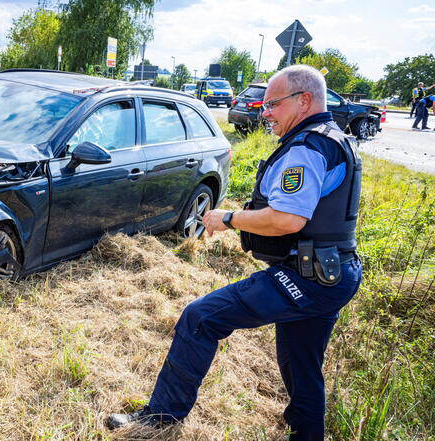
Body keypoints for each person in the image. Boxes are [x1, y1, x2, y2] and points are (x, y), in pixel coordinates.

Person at [106, 65, 363, 441]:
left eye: (273, 103)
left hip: (306, 277)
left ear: (304, 100)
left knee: (200, 318)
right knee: (301, 362)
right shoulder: (333, 138)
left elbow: (288, 219)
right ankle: (307, 434)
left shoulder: (308, 148)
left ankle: (160, 418)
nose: (265, 111)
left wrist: (229, 217)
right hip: (335, 273)